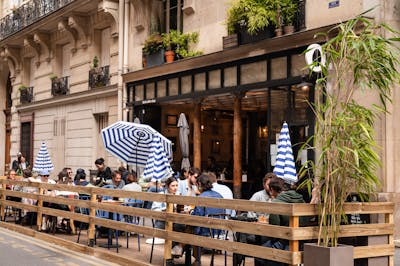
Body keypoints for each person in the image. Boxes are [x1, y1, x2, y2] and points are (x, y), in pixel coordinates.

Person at [254, 178, 307, 266]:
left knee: (258, 253)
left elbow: (274, 232)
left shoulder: (277, 203)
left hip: (285, 244)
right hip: (302, 244)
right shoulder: (301, 200)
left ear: (271, 190)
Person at [147, 177, 184, 246]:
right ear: (167, 186)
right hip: (162, 223)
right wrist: (164, 210)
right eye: (173, 186)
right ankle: (173, 250)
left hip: (175, 221)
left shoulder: (179, 194)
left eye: (176, 185)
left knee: (183, 227)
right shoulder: (161, 194)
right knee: (179, 227)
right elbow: (154, 210)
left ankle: (177, 249)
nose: (175, 188)